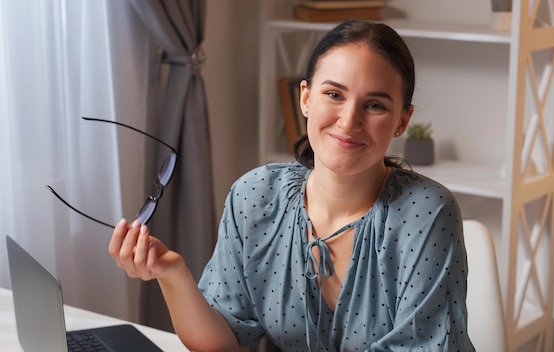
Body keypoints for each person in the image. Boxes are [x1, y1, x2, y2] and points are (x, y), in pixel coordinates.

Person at [109, 19, 474, 352]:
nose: (348, 121)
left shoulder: (427, 213)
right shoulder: (254, 196)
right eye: (334, 95)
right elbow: (222, 345)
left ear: (402, 120)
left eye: (375, 105)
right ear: (305, 98)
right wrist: (172, 274)